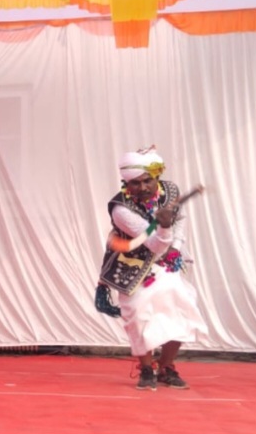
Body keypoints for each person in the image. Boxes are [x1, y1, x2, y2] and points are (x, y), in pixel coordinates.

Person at [94, 146, 208, 391]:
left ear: (156, 176)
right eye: (135, 183)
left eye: (147, 180)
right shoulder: (121, 209)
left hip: (166, 262)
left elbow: (179, 222)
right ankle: (146, 368)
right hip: (131, 266)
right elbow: (155, 244)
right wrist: (164, 228)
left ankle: (166, 367)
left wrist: (176, 247)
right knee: (138, 315)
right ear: (126, 183)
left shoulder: (170, 191)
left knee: (182, 307)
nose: (143, 187)